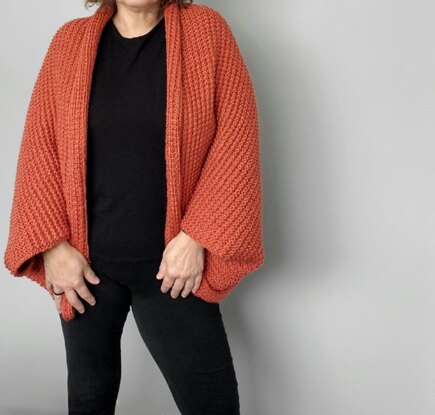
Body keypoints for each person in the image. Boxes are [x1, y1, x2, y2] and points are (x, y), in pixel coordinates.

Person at [4, 0, 265, 413]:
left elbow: (236, 138)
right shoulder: (68, 43)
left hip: (172, 270)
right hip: (86, 270)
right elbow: (41, 147)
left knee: (212, 404)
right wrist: (53, 248)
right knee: (89, 401)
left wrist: (197, 236)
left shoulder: (207, 32)